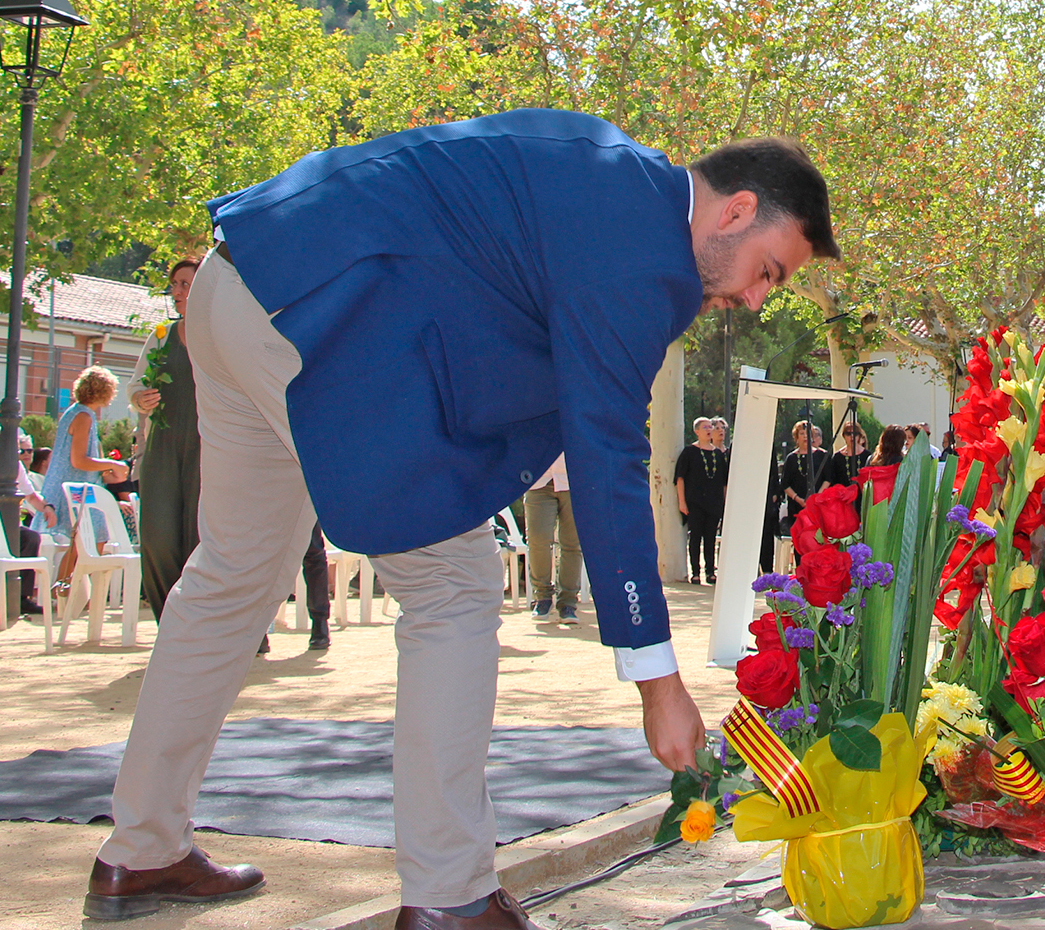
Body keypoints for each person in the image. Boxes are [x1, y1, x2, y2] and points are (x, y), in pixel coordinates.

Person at [85, 114, 838, 927]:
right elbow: (606, 450)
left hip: (242, 281)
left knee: (230, 573)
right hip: (316, 316)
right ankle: (449, 895)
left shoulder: (603, 163)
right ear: (734, 209)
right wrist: (658, 683)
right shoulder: (643, 246)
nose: (756, 300)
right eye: (768, 272)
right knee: (455, 585)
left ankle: (142, 846)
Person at [126, 258, 204, 622]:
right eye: (174, 284)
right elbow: (135, 385)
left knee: (201, 540)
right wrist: (139, 398)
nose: (176, 292)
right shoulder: (160, 335)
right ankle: (169, 624)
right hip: (162, 448)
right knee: (157, 536)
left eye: (185, 284)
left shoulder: (221, 334)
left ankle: (213, 627)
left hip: (210, 449)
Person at [39, 367, 132, 587]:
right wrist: (113, 464)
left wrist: (108, 471)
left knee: (83, 545)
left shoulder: (77, 412)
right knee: (88, 544)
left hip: (75, 488)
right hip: (73, 491)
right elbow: (78, 461)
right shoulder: (82, 416)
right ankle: (66, 593)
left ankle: (70, 594)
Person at [522, 453, 583, 624]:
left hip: (574, 480)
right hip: (537, 480)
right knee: (538, 541)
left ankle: (568, 603)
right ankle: (542, 598)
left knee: (572, 544)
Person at [673, 418, 728, 584]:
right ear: (697, 431)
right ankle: (695, 572)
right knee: (695, 536)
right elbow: (680, 478)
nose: (709, 430)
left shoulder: (718, 454)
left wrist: (725, 503)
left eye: (710, 427)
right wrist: (682, 502)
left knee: (711, 537)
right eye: (705, 427)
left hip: (714, 502)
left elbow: (724, 481)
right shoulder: (689, 452)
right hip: (695, 501)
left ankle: (710, 571)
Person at [12, 433, 54, 615]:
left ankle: (22, 598)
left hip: (8, 525)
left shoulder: (16, 466)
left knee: (30, 538)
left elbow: (30, 496)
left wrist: (46, 508)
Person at [779, 418, 827, 528]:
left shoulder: (821, 455)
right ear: (796, 437)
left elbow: (828, 478)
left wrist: (816, 497)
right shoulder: (791, 458)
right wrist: (798, 499)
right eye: (802, 433)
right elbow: (785, 484)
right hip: (796, 506)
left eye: (808, 433)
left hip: (817, 504)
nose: (805, 436)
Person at [824, 421, 869, 487]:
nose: (852, 436)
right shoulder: (837, 457)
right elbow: (833, 481)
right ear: (844, 436)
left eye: (855, 433)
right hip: (843, 494)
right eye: (848, 433)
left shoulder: (867, 455)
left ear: (859, 435)